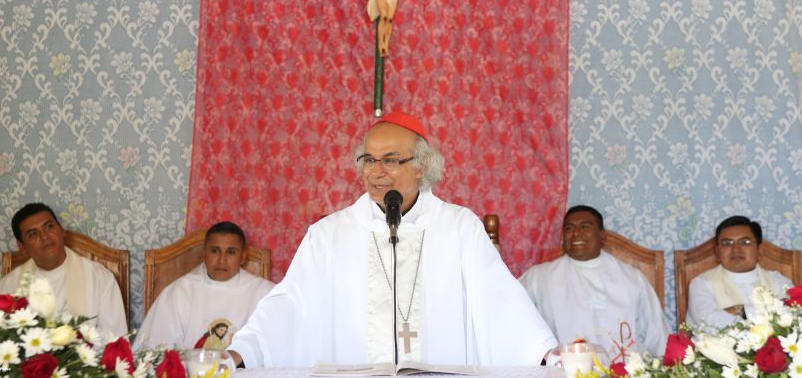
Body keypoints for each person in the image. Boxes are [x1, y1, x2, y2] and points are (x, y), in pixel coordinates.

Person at [228, 112, 556, 367]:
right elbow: (291, 304)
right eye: (369, 160)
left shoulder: (459, 228)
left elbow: (499, 300)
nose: (376, 171)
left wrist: (544, 353)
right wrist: (244, 350)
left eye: (390, 160)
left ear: (421, 166)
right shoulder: (329, 235)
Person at [519, 205, 669, 360]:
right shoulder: (539, 278)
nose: (576, 233)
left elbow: (657, 335)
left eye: (585, 226)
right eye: (569, 228)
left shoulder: (633, 278)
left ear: (602, 235)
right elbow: (510, 318)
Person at [0, 202, 127, 339]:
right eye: (33, 234)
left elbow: (114, 340)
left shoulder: (100, 279)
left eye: (49, 227)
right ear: (22, 247)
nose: (45, 237)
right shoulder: (5, 289)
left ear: (62, 231)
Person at [136, 221, 275, 350]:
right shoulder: (179, 292)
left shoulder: (264, 294)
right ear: (204, 253)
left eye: (231, 252)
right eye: (215, 251)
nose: (222, 260)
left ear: (243, 256)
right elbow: (154, 350)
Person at [686, 216, 792, 329]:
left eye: (745, 242)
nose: (736, 249)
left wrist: (741, 311)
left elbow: (792, 316)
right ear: (717, 252)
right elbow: (710, 323)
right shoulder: (701, 284)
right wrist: (768, 312)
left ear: (760, 250)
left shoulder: (779, 281)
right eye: (727, 243)